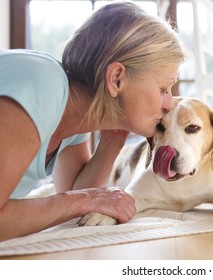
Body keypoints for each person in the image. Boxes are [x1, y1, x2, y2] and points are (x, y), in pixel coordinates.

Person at [0, 1, 186, 242]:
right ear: (117, 78)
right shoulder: (42, 86)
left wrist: (112, 141)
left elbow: (71, 200)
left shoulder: (73, 114)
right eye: (163, 88)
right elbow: (80, 199)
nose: (169, 104)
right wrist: (87, 199)